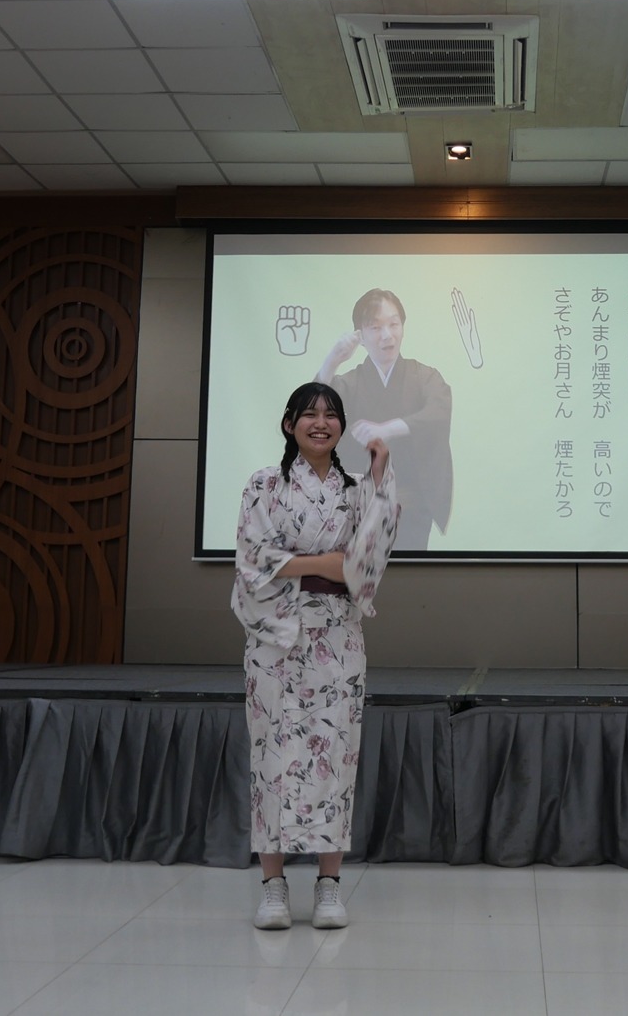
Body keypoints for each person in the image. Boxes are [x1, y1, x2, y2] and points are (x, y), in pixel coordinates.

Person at [231, 381, 396, 931]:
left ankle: (329, 885)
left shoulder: (355, 491)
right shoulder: (263, 485)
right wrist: (327, 564)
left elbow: (368, 558)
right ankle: (273, 886)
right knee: (270, 758)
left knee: (336, 757)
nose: (320, 423)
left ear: (341, 427)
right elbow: (254, 558)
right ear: (289, 424)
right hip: (276, 640)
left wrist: (379, 471)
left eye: (331, 415)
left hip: (337, 638)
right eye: (309, 414)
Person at [315, 288, 451, 550]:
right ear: (360, 336)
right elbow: (312, 413)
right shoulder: (349, 383)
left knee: (409, 573)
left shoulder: (425, 377)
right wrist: (332, 361)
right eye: (375, 327)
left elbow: (438, 412)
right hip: (357, 510)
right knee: (355, 573)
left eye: (394, 324)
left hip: (412, 509)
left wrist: (389, 429)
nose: (387, 335)